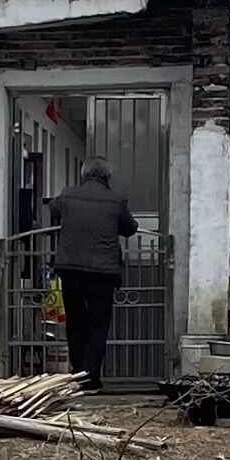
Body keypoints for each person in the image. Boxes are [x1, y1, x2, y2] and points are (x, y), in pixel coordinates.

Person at [49, 162, 137, 389]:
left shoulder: (68, 194)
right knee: (99, 324)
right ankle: (90, 376)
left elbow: (54, 209)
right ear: (108, 176)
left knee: (75, 321)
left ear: (84, 174)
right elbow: (130, 228)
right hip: (103, 272)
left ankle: (77, 373)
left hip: (71, 268)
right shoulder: (116, 199)